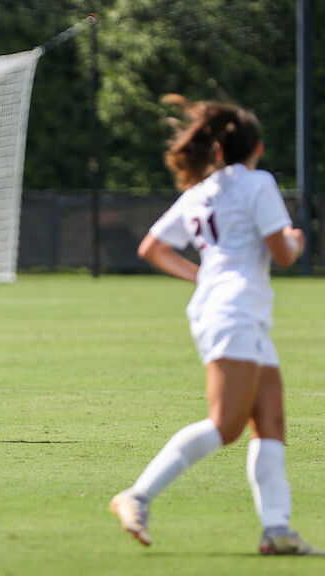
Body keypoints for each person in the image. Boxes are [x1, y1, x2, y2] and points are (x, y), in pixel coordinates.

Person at [110, 95, 322, 555]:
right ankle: (137, 495)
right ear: (257, 149)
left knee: (271, 421)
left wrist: (202, 275)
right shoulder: (258, 183)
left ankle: (277, 529)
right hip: (236, 309)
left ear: (218, 151)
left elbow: (152, 247)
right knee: (226, 425)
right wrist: (296, 240)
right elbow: (282, 254)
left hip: (230, 308)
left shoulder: (202, 191)